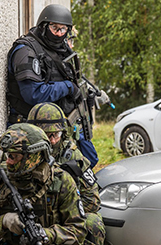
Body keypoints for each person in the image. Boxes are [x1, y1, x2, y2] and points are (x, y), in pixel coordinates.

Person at [27, 102, 106, 245]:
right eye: (47, 135)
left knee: (94, 223)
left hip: (66, 217)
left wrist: (69, 209)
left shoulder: (73, 156)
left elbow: (93, 199)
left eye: (57, 135)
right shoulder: (21, 154)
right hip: (36, 217)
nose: (53, 140)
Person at [6, 3, 99, 168]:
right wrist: (68, 87)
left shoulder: (58, 49)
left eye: (63, 30)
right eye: (54, 28)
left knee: (87, 163)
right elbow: (33, 94)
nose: (59, 34)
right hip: (29, 130)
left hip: (54, 128)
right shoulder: (25, 51)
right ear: (43, 26)